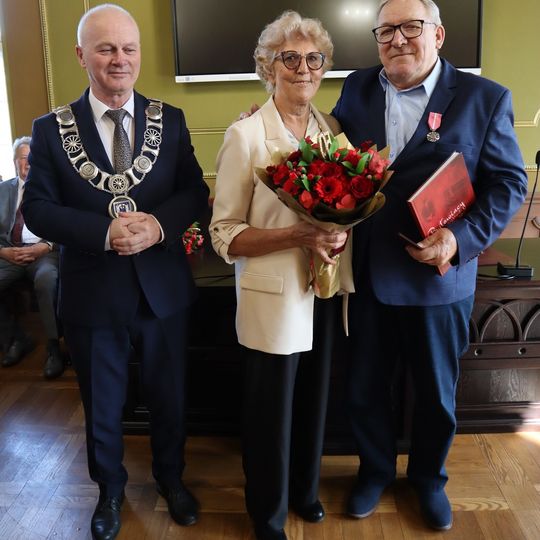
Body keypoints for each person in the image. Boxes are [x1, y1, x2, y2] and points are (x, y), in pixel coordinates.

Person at [331, 0, 528, 531]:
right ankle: (375, 471)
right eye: (385, 31)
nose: (397, 39)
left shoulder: (484, 98)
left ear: (438, 35)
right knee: (365, 385)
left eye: (411, 27)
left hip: (439, 278)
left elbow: (509, 183)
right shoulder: (357, 87)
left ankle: (428, 480)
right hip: (368, 271)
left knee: (435, 393)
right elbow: (331, 150)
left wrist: (458, 239)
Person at [22, 4, 209, 540]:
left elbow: (193, 191)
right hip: (92, 292)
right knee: (102, 404)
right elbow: (37, 210)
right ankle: (109, 491)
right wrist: (104, 232)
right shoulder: (50, 129)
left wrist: (159, 226)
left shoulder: (170, 119)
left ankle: (171, 479)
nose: (120, 59)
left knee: (169, 396)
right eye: (106, 49)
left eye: (129, 48)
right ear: (82, 56)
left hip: (162, 290)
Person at [210, 11, 350, 540]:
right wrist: (297, 236)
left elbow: (343, 207)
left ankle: (305, 492)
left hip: (323, 290)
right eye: (289, 58)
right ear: (268, 67)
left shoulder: (330, 130)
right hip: (272, 297)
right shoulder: (245, 134)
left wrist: (337, 235)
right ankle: (267, 512)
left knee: (313, 400)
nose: (303, 68)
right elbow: (224, 234)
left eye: (314, 58)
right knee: (270, 414)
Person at [0, 136, 62, 379]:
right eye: (24, 158)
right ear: (15, 162)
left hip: (44, 253)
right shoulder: (3, 190)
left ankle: (54, 347)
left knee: (46, 281)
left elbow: (67, 228)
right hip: (9, 252)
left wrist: (45, 246)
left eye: (33, 158)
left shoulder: (55, 189)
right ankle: (15, 338)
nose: (29, 163)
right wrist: (3, 252)